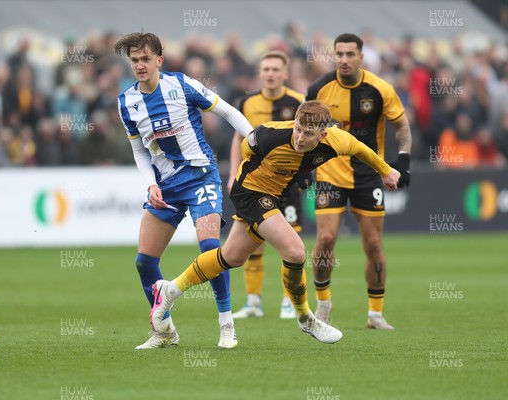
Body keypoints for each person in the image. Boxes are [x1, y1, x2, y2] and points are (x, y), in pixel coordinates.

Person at [149, 100, 401, 345]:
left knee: (231, 257)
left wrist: (385, 170)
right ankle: (305, 317)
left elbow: (359, 148)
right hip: (250, 192)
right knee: (294, 250)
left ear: (323, 135)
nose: (300, 137)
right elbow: (245, 147)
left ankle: (168, 291)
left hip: (275, 196)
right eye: (298, 129)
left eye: (308, 133)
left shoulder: (337, 140)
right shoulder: (269, 135)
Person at [114, 32, 253, 349]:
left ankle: (227, 326)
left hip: (202, 176)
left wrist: (254, 141)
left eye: (146, 59)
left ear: (159, 60)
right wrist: (150, 183)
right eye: (134, 60)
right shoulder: (127, 103)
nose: (140, 65)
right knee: (144, 262)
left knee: (210, 250)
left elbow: (228, 112)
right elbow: (139, 151)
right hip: (166, 186)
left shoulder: (182, 84)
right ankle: (164, 331)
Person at [305, 33, 412, 330]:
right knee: (325, 239)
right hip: (329, 173)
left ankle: (375, 314)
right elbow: (301, 130)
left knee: (374, 244)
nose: (343, 59)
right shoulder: (318, 88)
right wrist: (301, 168)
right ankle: (323, 304)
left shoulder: (380, 89)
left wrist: (403, 159)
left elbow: (402, 126)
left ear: (361, 57)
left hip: (368, 176)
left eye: (350, 54)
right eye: (339, 54)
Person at [227, 51, 306, 320]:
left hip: (287, 183)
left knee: (290, 240)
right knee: (254, 242)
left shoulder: (298, 102)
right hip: (255, 184)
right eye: (266, 69)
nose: (270, 73)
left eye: (275, 69)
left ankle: (288, 301)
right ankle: (253, 302)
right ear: (259, 73)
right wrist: (232, 174)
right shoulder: (247, 101)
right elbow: (239, 138)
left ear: (285, 74)